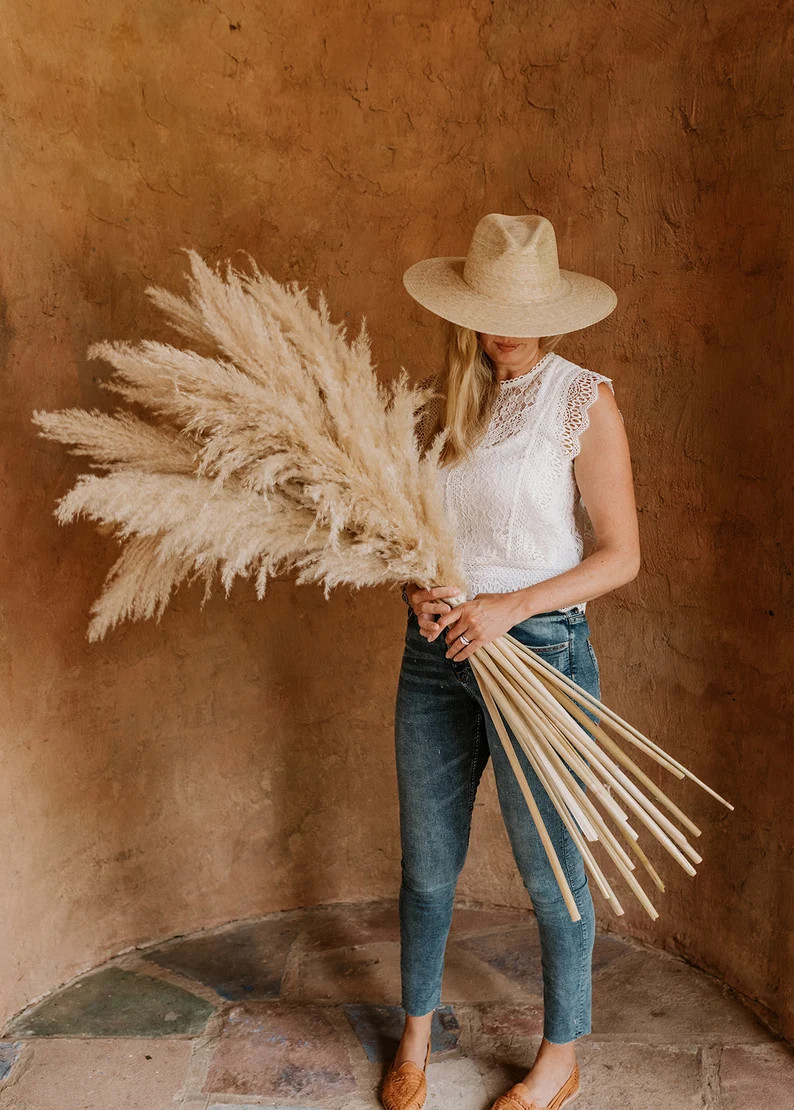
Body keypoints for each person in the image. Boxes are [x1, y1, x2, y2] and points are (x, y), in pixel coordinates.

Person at [380, 213, 640, 1110]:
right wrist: (416, 590)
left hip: (541, 652)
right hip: (437, 655)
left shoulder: (582, 397)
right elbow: (414, 537)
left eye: (523, 309)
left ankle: (559, 1056)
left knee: (551, 868)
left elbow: (621, 554)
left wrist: (511, 608)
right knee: (426, 863)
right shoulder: (432, 402)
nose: (506, 326)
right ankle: (413, 1040)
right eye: (489, 308)